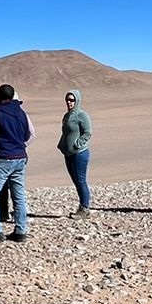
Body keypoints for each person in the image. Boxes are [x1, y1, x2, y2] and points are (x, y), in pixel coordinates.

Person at [0, 84, 32, 244]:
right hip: (20, 157)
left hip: (2, 158)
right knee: (19, 195)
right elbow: (26, 135)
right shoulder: (21, 113)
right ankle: (21, 230)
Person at [58, 88, 92, 217]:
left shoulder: (82, 115)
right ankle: (82, 207)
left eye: (72, 100)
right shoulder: (67, 116)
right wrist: (62, 145)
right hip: (68, 154)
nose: (69, 102)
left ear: (77, 101)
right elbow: (66, 133)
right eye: (67, 100)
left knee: (81, 180)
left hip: (80, 153)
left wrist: (77, 144)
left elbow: (87, 133)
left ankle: (85, 208)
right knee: (76, 181)